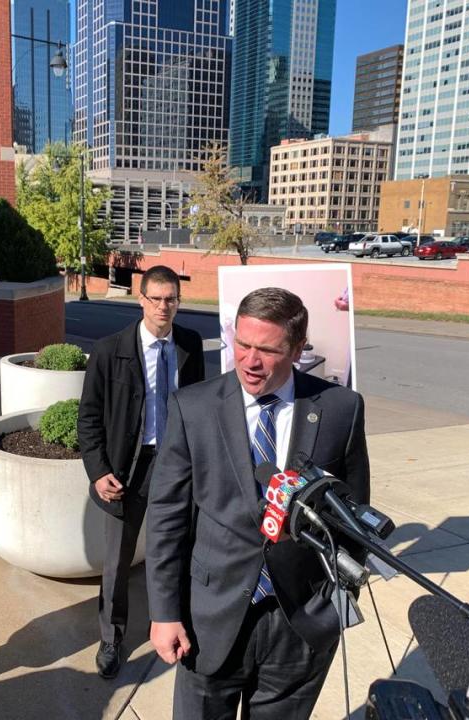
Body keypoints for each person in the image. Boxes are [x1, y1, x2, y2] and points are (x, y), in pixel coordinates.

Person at [146, 287, 370, 719]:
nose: (250, 361)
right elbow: (166, 520)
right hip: (210, 620)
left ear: (298, 349)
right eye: (243, 344)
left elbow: (354, 516)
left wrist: (336, 599)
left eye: (267, 350)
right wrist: (164, 612)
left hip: (301, 625)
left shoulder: (341, 409)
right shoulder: (193, 407)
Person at [78, 265, 205, 678]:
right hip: (129, 468)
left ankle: (176, 622)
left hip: (177, 464)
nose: (164, 307)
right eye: (156, 299)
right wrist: (98, 472)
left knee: (178, 548)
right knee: (117, 560)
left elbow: (199, 406)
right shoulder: (109, 350)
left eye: (171, 299)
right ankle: (112, 638)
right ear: (141, 300)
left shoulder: (190, 344)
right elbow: (89, 419)